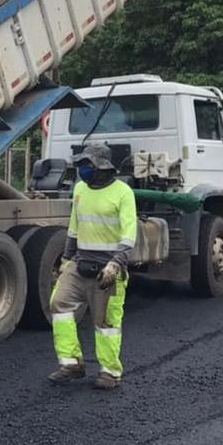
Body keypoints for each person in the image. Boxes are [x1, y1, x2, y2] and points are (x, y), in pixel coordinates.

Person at [47, 143, 137, 390]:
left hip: (108, 268)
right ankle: (71, 363)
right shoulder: (79, 189)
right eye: (81, 165)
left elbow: (129, 233)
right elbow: (74, 228)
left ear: (103, 166)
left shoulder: (122, 192)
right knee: (59, 303)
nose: (83, 169)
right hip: (80, 263)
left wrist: (116, 263)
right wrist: (66, 260)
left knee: (105, 321)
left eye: (88, 164)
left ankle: (110, 372)